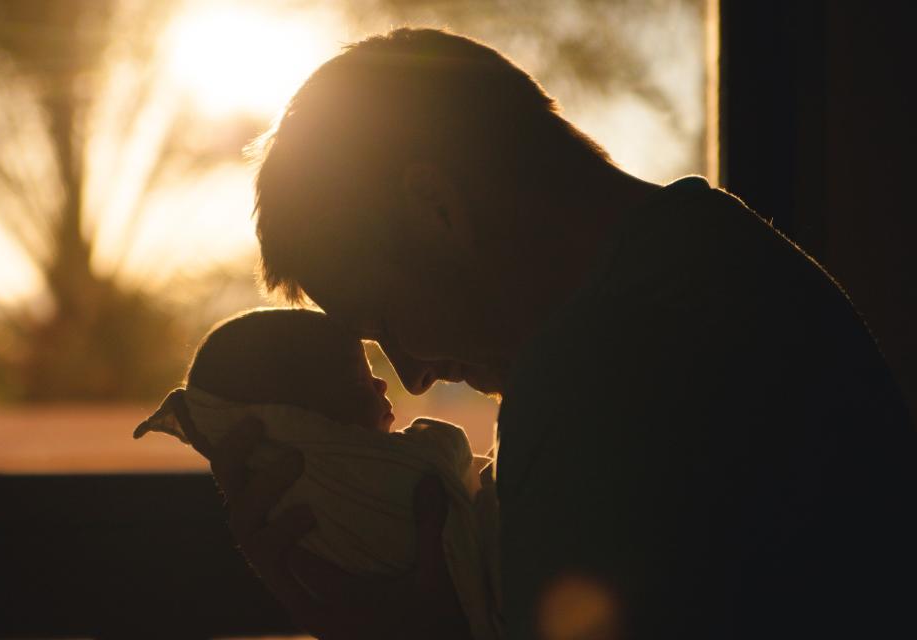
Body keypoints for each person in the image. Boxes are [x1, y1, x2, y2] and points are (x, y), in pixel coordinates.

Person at [207, 27, 917, 639]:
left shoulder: (591, 374)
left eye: (385, 322)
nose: (413, 375)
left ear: (435, 210)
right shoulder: (729, 257)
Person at [134, 308, 502, 639]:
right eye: (358, 380)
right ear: (300, 424)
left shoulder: (287, 514)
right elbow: (446, 452)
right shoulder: (361, 480)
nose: (390, 382)